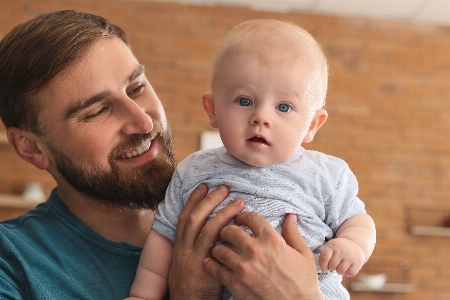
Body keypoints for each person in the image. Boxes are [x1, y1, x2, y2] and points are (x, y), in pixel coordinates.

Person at [0, 10, 325, 300]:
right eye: (97, 111)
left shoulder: (267, 208)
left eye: (136, 88)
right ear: (31, 148)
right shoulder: (11, 265)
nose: (143, 120)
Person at [130, 19, 376, 300]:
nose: (261, 117)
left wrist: (351, 244)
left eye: (284, 107)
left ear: (312, 125)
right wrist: (143, 294)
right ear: (213, 110)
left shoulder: (327, 174)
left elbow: (357, 219)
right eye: (244, 101)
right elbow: (163, 238)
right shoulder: (194, 171)